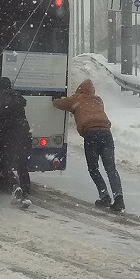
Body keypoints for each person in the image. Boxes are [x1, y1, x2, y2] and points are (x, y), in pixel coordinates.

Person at [52, 79, 124, 212]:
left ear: (80, 89)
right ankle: (118, 198)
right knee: (111, 168)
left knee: (93, 168)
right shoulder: (98, 100)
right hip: (106, 134)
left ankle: (104, 196)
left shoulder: (76, 99)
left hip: (91, 134)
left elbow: (60, 103)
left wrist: (55, 100)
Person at [0, 76, 33, 208]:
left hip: (9, 135)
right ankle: (26, 196)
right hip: (24, 133)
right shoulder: (18, 97)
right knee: (22, 166)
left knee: (6, 165)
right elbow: (21, 104)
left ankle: (15, 186)